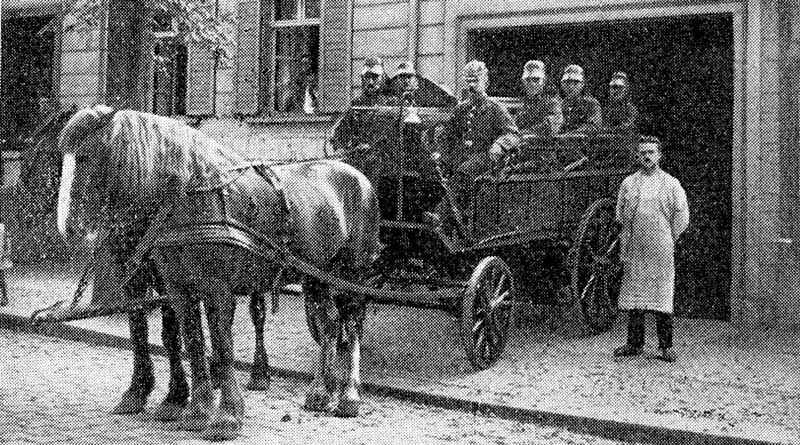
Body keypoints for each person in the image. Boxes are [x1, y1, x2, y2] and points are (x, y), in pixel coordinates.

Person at [613, 136, 689, 363]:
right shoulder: (628, 183)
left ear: (659, 156)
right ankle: (634, 344)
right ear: (637, 156)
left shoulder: (671, 183)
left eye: (651, 152)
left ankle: (666, 346)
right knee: (636, 294)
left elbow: (682, 215)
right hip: (636, 245)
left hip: (660, 247)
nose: (647, 156)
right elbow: (621, 214)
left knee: (661, 294)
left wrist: (669, 237)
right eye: (643, 152)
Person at [438, 60, 520, 221]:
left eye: (476, 81)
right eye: (468, 81)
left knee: (465, 171)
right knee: (436, 170)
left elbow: (514, 134)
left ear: (486, 82)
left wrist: (499, 144)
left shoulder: (495, 108)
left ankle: (442, 215)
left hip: (486, 159)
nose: (471, 86)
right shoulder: (461, 109)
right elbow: (448, 135)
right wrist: (441, 152)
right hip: (462, 158)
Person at [515, 60, 563, 136]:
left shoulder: (552, 102)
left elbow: (550, 127)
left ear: (543, 81)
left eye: (536, 80)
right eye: (528, 80)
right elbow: (515, 126)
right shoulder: (525, 104)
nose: (532, 84)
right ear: (523, 82)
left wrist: (523, 133)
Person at [559, 64, 602, 134]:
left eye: (575, 83)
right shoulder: (563, 104)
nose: (571, 86)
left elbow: (595, 127)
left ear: (582, 84)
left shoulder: (591, 103)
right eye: (567, 82)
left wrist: (570, 134)